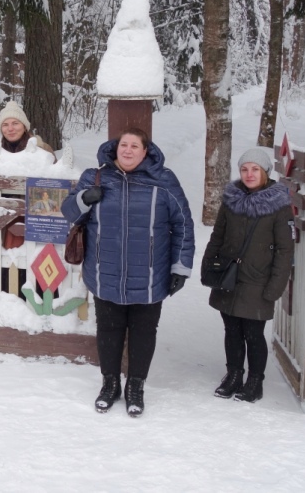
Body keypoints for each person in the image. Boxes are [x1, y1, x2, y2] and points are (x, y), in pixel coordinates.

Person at [62, 128, 195, 417]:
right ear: (115, 148)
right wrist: (86, 197)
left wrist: (180, 267)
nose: (129, 150)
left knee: (143, 332)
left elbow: (183, 224)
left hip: (150, 274)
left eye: (135, 146)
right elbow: (69, 211)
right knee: (108, 330)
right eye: (124, 144)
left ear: (146, 151)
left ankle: (136, 386)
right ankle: (110, 384)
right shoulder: (94, 176)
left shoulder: (164, 181)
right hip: (104, 270)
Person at [202, 147, 293, 403]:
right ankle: (233, 374)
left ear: (265, 172)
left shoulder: (278, 206)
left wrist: (275, 287)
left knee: (253, 333)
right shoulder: (231, 201)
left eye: (255, 169)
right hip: (228, 277)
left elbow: (285, 250)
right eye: (244, 169)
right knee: (231, 330)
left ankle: (255, 381)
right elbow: (217, 236)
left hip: (258, 281)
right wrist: (208, 267)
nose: (249, 174)